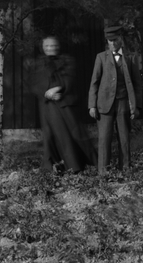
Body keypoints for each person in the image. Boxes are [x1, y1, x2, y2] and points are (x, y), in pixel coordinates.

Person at [31, 35, 95, 174]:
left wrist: (59, 88)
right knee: (50, 136)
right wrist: (47, 93)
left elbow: (71, 78)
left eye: (53, 45)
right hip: (48, 106)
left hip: (65, 103)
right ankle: (54, 166)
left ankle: (76, 165)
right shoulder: (38, 63)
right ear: (43, 48)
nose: (50, 48)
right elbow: (34, 83)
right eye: (47, 46)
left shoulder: (67, 60)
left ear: (58, 46)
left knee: (70, 134)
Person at [88, 24, 142, 175]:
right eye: (110, 40)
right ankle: (104, 173)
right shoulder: (101, 57)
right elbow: (94, 82)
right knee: (104, 138)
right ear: (107, 41)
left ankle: (125, 169)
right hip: (104, 104)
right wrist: (92, 105)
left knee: (124, 138)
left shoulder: (130, 57)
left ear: (121, 39)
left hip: (123, 103)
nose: (113, 43)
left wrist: (137, 106)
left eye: (115, 40)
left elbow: (137, 84)